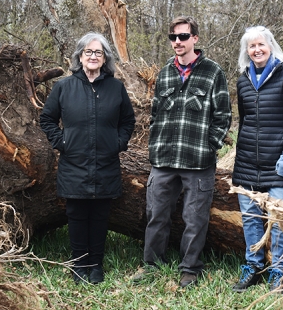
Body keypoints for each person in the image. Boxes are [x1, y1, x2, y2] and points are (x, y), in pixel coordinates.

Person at [131, 16, 232, 288]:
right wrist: (155, 144)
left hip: (198, 161)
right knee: (156, 214)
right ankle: (152, 265)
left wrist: (210, 145)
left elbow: (223, 115)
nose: (178, 42)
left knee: (195, 219)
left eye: (183, 37)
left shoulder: (212, 72)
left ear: (195, 39)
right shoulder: (164, 73)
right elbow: (155, 113)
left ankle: (190, 269)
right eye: (173, 37)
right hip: (163, 159)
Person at [40, 33, 135, 285]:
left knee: (100, 215)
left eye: (98, 53)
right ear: (79, 57)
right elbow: (47, 119)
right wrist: (61, 142)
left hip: (106, 163)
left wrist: (118, 143)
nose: (93, 57)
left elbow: (128, 121)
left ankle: (96, 265)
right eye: (88, 52)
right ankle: (79, 264)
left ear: (105, 59)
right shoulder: (63, 87)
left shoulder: (116, 87)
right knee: (77, 215)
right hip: (74, 164)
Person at [231, 26, 283, 292]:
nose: (257, 50)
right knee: (250, 218)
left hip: (279, 162)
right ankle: (253, 266)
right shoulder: (243, 80)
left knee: (279, 220)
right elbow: (245, 121)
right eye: (251, 46)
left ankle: (279, 272)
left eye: (261, 44)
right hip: (247, 162)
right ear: (247, 51)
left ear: (271, 45)